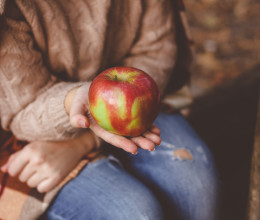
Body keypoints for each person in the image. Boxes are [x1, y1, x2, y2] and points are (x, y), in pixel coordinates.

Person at [0, 0, 219, 219]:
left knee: (195, 187)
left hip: (134, 110)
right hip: (29, 133)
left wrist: (83, 142)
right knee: (134, 213)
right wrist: (74, 101)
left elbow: (155, 52)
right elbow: (23, 106)